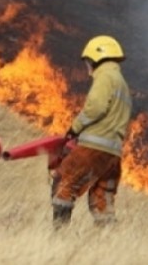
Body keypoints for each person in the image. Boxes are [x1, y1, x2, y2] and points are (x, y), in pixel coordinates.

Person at [51, 35, 131, 228]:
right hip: (112, 154)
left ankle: (57, 236)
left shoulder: (105, 77)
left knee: (64, 183)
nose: (87, 66)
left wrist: (74, 129)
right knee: (102, 197)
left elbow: (95, 108)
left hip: (94, 147)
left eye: (88, 61)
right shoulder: (121, 82)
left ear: (97, 58)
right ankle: (106, 242)